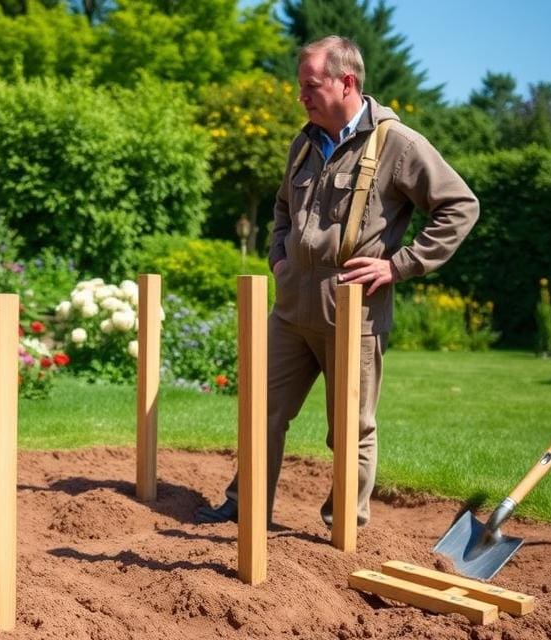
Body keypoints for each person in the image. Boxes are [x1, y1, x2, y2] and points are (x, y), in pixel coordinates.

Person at [195, 35, 479, 529]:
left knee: (350, 428)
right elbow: (284, 208)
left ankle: (343, 524)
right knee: (261, 409)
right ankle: (244, 508)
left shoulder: (398, 143)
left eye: (310, 85)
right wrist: (278, 257)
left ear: (346, 82)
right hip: (291, 307)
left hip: (354, 310)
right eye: (300, 86)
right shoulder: (303, 143)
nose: (300, 96)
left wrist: (400, 265)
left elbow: (460, 206)